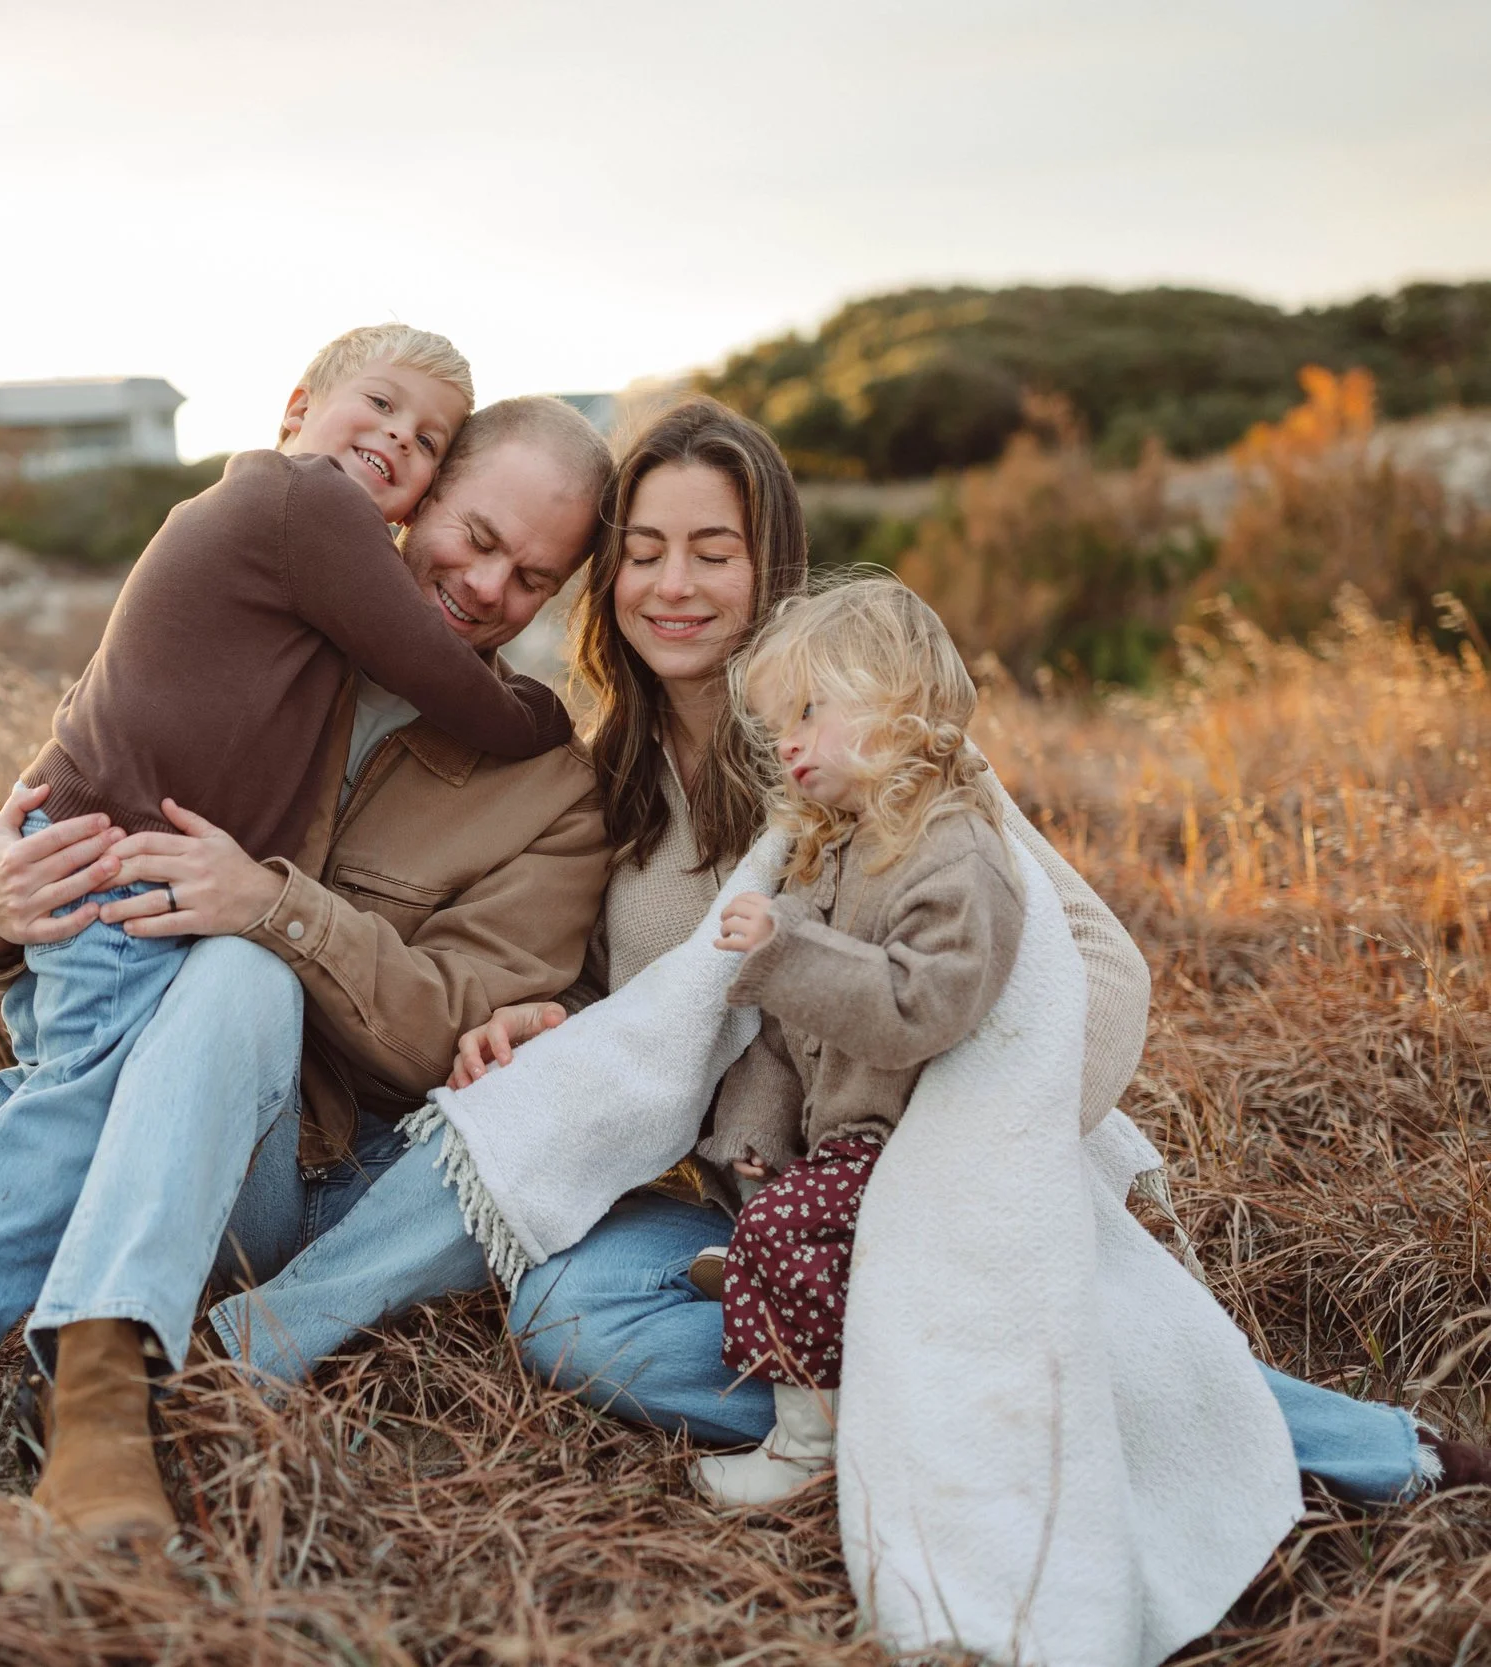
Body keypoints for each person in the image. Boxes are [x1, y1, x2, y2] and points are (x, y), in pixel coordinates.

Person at [208, 396, 1487, 1504]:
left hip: (903, 1171)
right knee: (570, 1318)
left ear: (771, 569)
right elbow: (649, 1026)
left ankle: (1334, 1441)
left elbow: (1095, 962)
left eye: (714, 551)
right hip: (718, 1205)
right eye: (643, 552)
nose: (673, 585)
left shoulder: (875, 747)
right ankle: (918, 1409)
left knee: (959, 1310)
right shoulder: (618, 781)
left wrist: (959, 1170)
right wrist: (550, 1020)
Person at [0, 380, 606, 1538]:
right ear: (416, 499)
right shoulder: (260, 623)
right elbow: (71, 811)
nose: (490, 587)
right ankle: (51, 1360)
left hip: (305, 1159)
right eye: (476, 538)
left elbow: (459, 1024)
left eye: (533, 577)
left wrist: (272, 908)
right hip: (144, 1084)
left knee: (245, 969)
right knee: (150, 1018)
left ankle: (130, 1365)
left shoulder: (549, 785)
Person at [687, 577, 1025, 1504]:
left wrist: (787, 948)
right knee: (775, 1215)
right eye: (774, 724)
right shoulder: (832, 849)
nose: (786, 740)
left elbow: (928, 1006)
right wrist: (756, 1132)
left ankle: (810, 1446)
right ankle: (770, 1282)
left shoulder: (953, 850)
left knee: (788, 1227)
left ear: (895, 700)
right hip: (847, 1143)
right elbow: (784, 1036)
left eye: (807, 709)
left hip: (923, 1149)